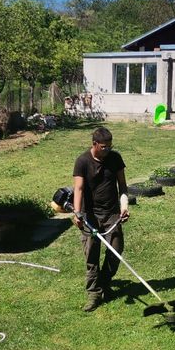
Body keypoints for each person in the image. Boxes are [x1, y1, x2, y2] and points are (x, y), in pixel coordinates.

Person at [72, 126, 129, 312]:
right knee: (92, 255)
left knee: (116, 251)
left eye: (110, 146)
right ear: (94, 144)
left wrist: (124, 207)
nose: (107, 150)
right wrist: (77, 213)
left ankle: (104, 283)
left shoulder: (115, 158)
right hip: (90, 216)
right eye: (104, 147)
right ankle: (94, 293)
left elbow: (122, 186)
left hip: (112, 213)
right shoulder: (82, 161)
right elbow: (78, 189)